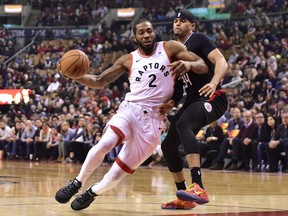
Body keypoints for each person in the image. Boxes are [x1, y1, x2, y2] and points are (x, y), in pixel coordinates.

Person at [55, 19, 208, 211]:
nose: (146, 35)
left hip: (154, 121)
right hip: (130, 109)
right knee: (105, 143)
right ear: (134, 37)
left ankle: (92, 192)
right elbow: (99, 80)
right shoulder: (128, 59)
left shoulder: (170, 48)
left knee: (117, 174)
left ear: (154, 33)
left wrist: (188, 64)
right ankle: (77, 182)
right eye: (142, 32)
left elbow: (202, 64)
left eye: (149, 31)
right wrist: (72, 75)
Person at [159, 10, 228, 210]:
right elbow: (179, 88)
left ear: (192, 25)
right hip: (192, 99)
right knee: (168, 146)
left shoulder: (199, 39)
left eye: (183, 21)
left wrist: (214, 83)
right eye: (175, 21)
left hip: (213, 98)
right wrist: (170, 103)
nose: (178, 24)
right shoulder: (174, 51)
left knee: (183, 123)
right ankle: (184, 197)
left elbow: (221, 61)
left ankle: (198, 186)